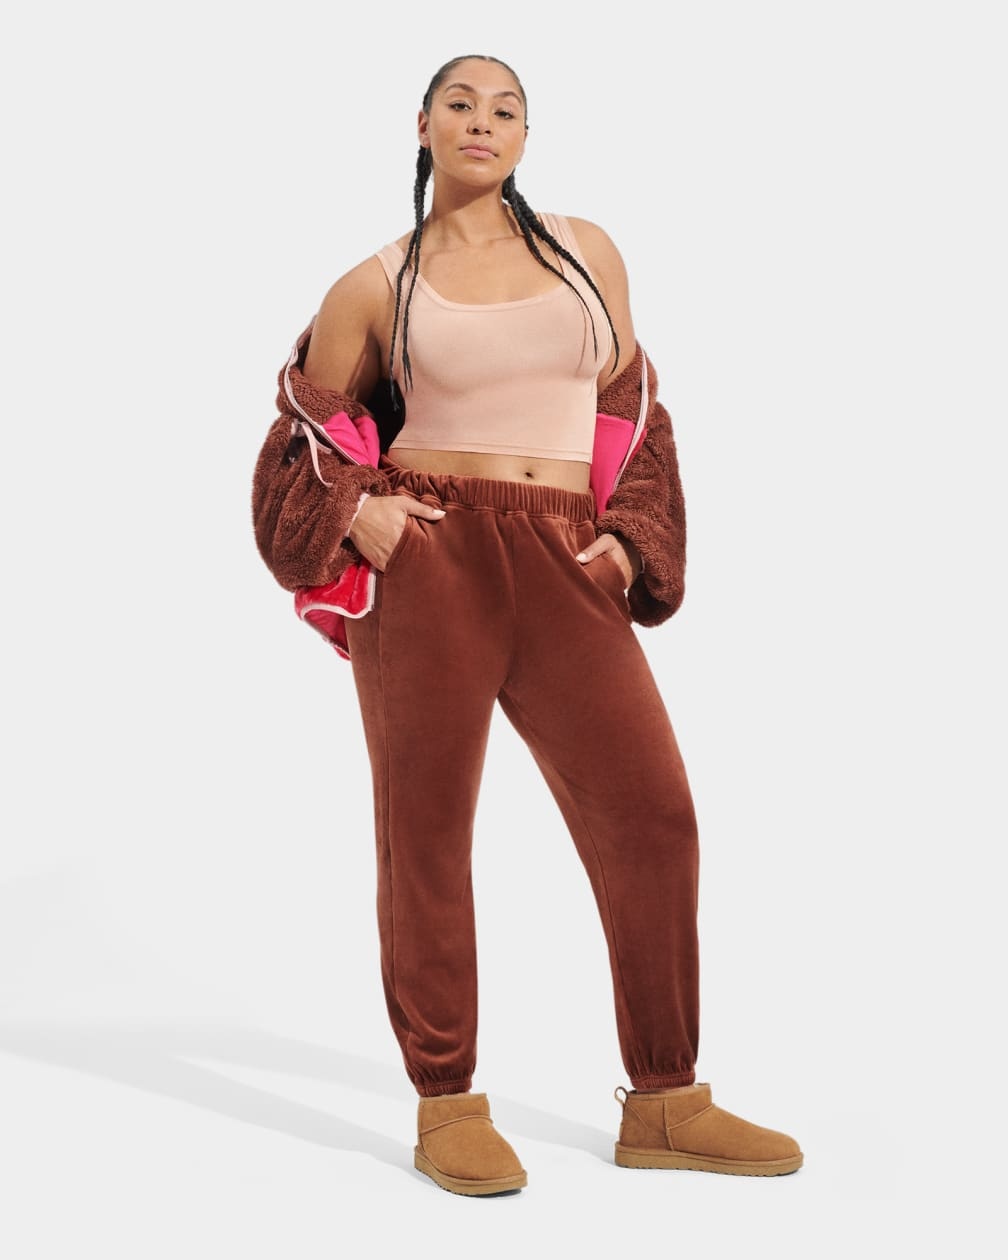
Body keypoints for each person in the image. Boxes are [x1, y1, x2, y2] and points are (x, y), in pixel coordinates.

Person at [252, 54, 803, 1196]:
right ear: (422, 125)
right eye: (460, 104)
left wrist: (628, 543)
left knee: (653, 814)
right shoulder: (375, 285)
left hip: (564, 557)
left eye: (505, 109)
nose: (483, 122)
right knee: (427, 834)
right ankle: (446, 1103)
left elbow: (633, 409)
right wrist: (362, 516)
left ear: (525, 135)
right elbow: (302, 434)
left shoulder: (585, 253)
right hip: (433, 560)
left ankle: (666, 1100)